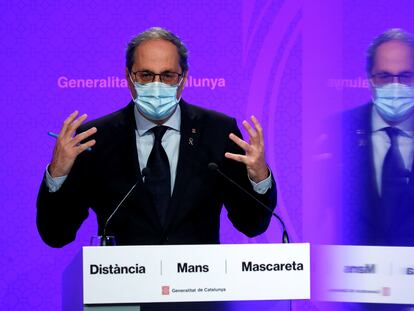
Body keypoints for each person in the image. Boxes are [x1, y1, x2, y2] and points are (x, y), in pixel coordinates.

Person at [36, 27, 277, 248]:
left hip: (198, 288)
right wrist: (57, 174)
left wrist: (259, 178)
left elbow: (252, 225)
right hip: (121, 289)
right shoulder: (96, 138)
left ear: (183, 80)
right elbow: (56, 234)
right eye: (146, 75)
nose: (157, 85)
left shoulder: (217, 130)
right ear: (129, 78)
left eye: (168, 75)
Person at [335, 28, 414, 247]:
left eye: (406, 76)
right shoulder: (335, 131)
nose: (395, 86)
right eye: (385, 76)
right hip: (350, 275)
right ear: (370, 81)